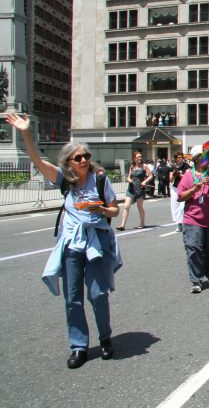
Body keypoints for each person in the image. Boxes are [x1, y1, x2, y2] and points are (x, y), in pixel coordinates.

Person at [5, 112, 121, 369]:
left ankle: (105, 338)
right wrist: (25, 132)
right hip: (71, 244)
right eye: (78, 157)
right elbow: (37, 161)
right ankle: (78, 346)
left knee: (98, 294)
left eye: (86, 156)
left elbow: (115, 210)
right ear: (68, 161)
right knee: (73, 298)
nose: (83, 160)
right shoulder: (64, 180)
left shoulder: (100, 180)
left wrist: (100, 210)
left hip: (96, 242)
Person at [176, 145, 209, 293]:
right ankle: (196, 279)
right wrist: (194, 189)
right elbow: (180, 196)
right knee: (194, 248)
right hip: (193, 219)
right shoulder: (188, 175)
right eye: (205, 156)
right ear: (197, 158)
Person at [116, 151, 153, 231]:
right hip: (131, 189)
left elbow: (151, 176)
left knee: (140, 206)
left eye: (141, 157)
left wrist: (144, 181)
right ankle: (122, 225)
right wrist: (129, 180)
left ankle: (142, 223)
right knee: (126, 206)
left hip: (139, 189)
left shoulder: (144, 166)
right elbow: (128, 176)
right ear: (134, 158)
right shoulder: (132, 166)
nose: (140, 158)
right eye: (138, 157)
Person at [169, 151, 191, 232]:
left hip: (184, 188)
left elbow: (188, 177)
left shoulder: (186, 166)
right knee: (175, 206)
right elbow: (171, 180)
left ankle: (182, 223)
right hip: (175, 188)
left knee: (182, 207)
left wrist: (180, 175)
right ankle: (179, 223)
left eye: (181, 157)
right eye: (178, 158)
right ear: (175, 159)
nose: (180, 159)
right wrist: (174, 175)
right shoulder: (173, 167)